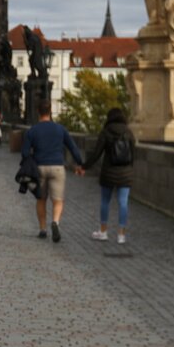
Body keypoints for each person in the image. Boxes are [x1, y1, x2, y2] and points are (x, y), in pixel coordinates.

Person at [21, 100, 85, 243]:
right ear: (50, 112)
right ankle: (55, 222)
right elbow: (73, 148)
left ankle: (43, 229)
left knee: (41, 199)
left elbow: (24, 153)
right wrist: (80, 164)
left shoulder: (32, 130)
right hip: (57, 166)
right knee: (58, 200)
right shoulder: (60, 129)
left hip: (39, 167)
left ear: (38, 112)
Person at [83, 108, 136, 244]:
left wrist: (84, 166)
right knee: (123, 203)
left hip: (109, 172)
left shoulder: (106, 132)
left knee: (105, 201)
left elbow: (96, 154)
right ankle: (121, 235)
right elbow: (133, 155)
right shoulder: (129, 132)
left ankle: (103, 231)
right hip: (125, 173)